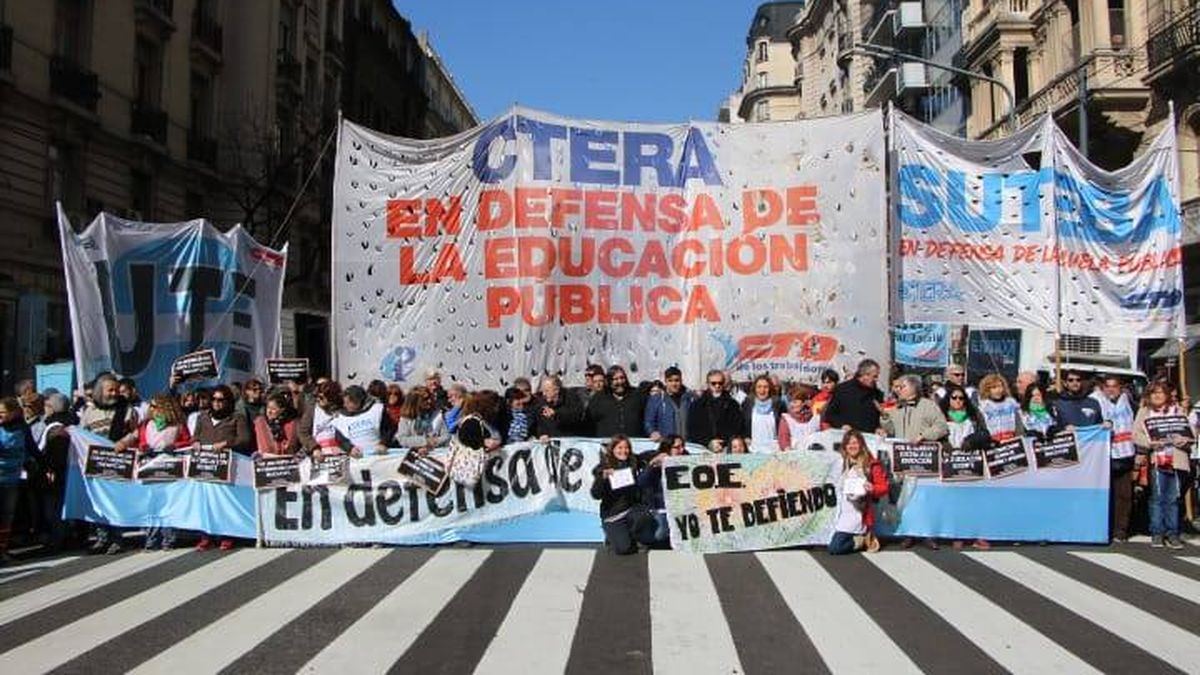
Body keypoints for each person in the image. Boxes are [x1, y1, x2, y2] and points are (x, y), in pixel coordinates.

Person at [113, 394, 192, 550]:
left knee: (169, 504)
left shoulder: (177, 425)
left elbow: (188, 440)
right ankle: (152, 537)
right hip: (149, 468)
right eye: (152, 406)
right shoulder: (146, 425)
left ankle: (168, 537)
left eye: (155, 406)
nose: (152, 409)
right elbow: (136, 439)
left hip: (169, 469)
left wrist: (175, 446)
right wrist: (130, 445)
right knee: (151, 505)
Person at [78, 373, 139, 553]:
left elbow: (137, 432)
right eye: (110, 390)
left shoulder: (127, 409)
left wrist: (125, 442)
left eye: (116, 390)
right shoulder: (89, 412)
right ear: (100, 391)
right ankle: (101, 537)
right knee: (98, 502)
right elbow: (82, 434)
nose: (114, 393)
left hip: (119, 462)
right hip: (97, 463)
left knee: (115, 501)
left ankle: (117, 538)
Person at [192, 384, 252, 551]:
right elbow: (195, 436)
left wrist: (226, 443)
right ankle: (206, 536)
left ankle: (227, 535)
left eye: (221, 400)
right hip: (205, 465)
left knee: (225, 502)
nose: (217, 403)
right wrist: (195, 442)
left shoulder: (236, 417)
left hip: (227, 466)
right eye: (214, 400)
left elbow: (244, 439)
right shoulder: (202, 417)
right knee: (206, 503)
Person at [1132, 381, 1189, 549]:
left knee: (1173, 498)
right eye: (1153, 393)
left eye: (1161, 392)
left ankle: (1172, 533)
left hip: (1176, 459)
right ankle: (1157, 532)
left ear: (1167, 395)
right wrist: (1149, 444)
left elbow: (1190, 433)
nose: (1157, 395)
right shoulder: (1145, 411)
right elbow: (1135, 434)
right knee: (1157, 497)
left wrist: (1183, 440)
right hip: (1157, 459)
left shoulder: (1177, 411)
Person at [590, 435, 655, 555]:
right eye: (619, 448)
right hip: (612, 514)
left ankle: (633, 535)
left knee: (645, 517)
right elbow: (595, 494)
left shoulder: (634, 461)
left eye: (626, 448)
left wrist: (660, 455)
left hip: (632, 509)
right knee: (624, 549)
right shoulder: (604, 467)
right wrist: (602, 478)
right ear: (612, 449)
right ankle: (612, 535)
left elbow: (648, 455)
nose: (623, 451)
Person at [827, 430, 887, 555]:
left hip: (858, 514)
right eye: (848, 444)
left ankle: (862, 540)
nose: (852, 446)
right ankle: (857, 538)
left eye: (855, 443)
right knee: (828, 542)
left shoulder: (871, 464)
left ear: (861, 444)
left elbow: (884, 487)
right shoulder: (840, 462)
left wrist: (873, 488)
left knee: (835, 548)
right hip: (841, 511)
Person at [1093, 376, 1136, 543]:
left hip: (1125, 454)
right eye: (1108, 386)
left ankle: (1121, 530)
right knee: (1106, 494)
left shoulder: (1129, 402)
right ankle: (1106, 528)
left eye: (1114, 386)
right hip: (1105, 455)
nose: (1111, 389)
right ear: (1103, 388)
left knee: (1124, 495)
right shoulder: (1097, 402)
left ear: (1120, 388)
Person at [38, 393, 78, 549]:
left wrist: (50, 468)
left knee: (54, 508)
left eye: (47, 405)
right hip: (69, 471)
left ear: (53, 408)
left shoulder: (56, 429)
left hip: (57, 472)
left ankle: (58, 540)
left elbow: (56, 453)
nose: (44, 409)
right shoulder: (73, 422)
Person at [0, 397, 34, 563]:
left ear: (13, 413)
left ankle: (3, 550)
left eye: (3, 413)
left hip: (12, 478)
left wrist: (44, 466)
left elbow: (31, 448)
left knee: (7, 516)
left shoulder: (22, 428)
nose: (0, 415)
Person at [636, 435, 686, 546]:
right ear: (667, 448)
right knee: (659, 535)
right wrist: (651, 465)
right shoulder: (656, 462)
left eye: (682, 446)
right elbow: (641, 483)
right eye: (677, 447)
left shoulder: (687, 459)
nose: (681, 450)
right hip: (661, 508)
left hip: (681, 508)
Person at [686, 369, 743, 451]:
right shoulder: (697, 405)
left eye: (720, 383)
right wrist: (708, 442)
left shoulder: (732, 404)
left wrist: (724, 442)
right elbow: (692, 430)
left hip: (726, 448)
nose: (717, 386)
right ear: (708, 384)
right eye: (713, 383)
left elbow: (737, 428)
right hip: (703, 449)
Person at [880, 374, 948, 443]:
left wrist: (924, 436)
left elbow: (942, 427)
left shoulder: (928, 406)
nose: (898, 390)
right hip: (902, 450)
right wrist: (885, 417)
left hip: (922, 450)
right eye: (897, 387)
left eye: (902, 387)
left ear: (913, 388)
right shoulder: (898, 407)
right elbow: (892, 431)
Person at [331, 385, 394, 457]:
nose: (345, 405)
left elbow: (389, 430)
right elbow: (340, 439)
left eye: (348, 403)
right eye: (344, 402)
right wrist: (350, 448)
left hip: (378, 455)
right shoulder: (341, 418)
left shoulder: (376, 410)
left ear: (357, 401)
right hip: (357, 458)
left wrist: (383, 443)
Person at [823, 359, 885, 434]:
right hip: (846, 438)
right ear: (864, 375)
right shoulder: (842, 390)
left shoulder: (877, 394)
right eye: (874, 376)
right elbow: (829, 414)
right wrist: (841, 425)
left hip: (869, 439)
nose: (876, 380)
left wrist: (878, 428)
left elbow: (879, 419)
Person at [586, 366, 645, 438]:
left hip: (634, 443)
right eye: (615, 379)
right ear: (609, 381)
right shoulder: (599, 398)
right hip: (607, 444)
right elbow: (589, 423)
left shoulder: (637, 396)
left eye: (622, 378)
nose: (620, 382)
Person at [644, 366, 697, 441]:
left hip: (688, 443)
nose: (674, 384)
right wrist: (652, 432)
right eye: (670, 381)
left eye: (676, 380)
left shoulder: (691, 398)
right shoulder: (657, 400)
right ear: (665, 381)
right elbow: (649, 421)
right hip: (667, 444)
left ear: (681, 380)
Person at [393, 386, 451, 453]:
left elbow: (446, 436)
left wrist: (433, 442)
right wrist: (425, 441)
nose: (429, 401)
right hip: (412, 454)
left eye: (429, 398)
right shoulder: (406, 418)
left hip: (435, 452)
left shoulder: (437, 415)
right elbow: (402, 439)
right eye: (425, 399)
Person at [741, 374, 785, 452]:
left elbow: (784, 425)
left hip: (774, 449)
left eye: (765, 387)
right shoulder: (747, 404)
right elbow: (741, 424)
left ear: (770, 389)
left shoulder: (778, 404)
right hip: (753, 449)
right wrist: (745, 437)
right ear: (755, 388)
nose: (762, 390)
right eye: (759, 387)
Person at [298, 380, 342, 458]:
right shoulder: (312, 410)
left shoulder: (343, 411)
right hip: (319, 454)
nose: (318, 399)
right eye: (316, 396)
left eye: (321, 397)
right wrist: (314, 447)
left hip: (340, 453)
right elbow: (303, 432)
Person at [531, 375, 582, 440]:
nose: (544, 394)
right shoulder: (541, 403)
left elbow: (576, 416)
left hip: (569, 439)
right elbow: (540, 423)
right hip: (550, 441)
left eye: (547, 391)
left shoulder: (571, 398)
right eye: (543, 391)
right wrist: (542, 434)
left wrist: (556, 414)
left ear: (556, 390)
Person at [977, 374, 1023, 442]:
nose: (998, 390)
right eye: (994, 387)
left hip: (1011, 439)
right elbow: (982, 427)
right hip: (993, 441)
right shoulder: (984, 407)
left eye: (1000, 386)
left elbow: (1018, 424)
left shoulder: (1011, 403)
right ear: (987, 389)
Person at [777, 385, 822, 451]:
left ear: (804, 402)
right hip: (793, 456)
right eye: (790, 402)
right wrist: (789, 452)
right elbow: (784, 440)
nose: (792, 405)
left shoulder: (816, 418)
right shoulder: (786, 419)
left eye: (795, 402)